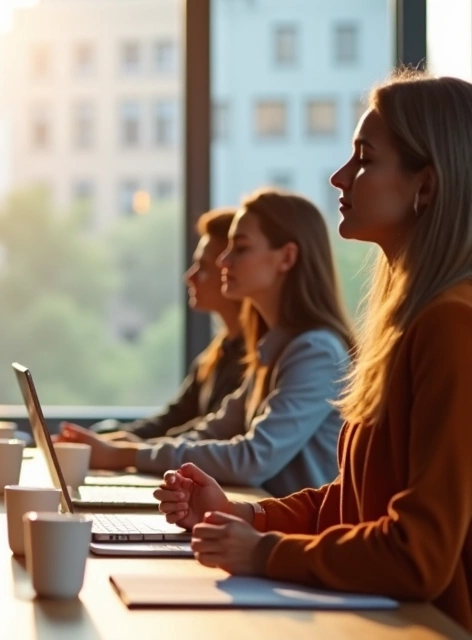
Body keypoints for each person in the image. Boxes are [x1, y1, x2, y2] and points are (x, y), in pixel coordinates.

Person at [155, 72, 472, 632]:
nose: (339, 176)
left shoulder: (451, 326)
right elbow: (354, 501)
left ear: (426, 184)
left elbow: (416, 554)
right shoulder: (408, 323)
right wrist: (245, 515)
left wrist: (262, 552)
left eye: (365, 159)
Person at [58, 189, 355, 498]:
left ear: (287, 258)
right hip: (261, 523)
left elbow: (252, 459)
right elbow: (210, 432)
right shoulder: (274, 349)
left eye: (240, 248)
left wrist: (123, 455)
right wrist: (124, 450)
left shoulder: (316, 352)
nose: (224, 260)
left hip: (296, 538)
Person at [93, 208, 246, 442]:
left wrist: (127, 449)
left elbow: (211, 432)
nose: (189, 277)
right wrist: (113, 440)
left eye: (202, 266)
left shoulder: (259, 356)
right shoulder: (219, 352)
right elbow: (174, 417)